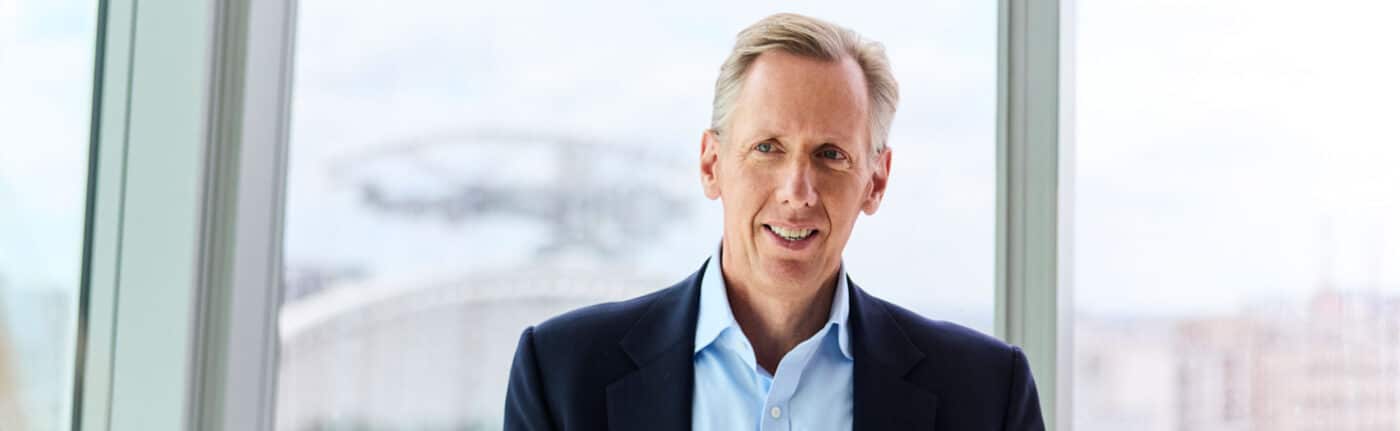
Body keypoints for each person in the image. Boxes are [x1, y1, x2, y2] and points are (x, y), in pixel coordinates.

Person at [505, 12, 1044, 430]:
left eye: (830, 155)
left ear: (876, 182)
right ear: (712, 164)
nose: (797, 192)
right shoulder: (562, 375)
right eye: (767, 147)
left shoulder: (986, 394)